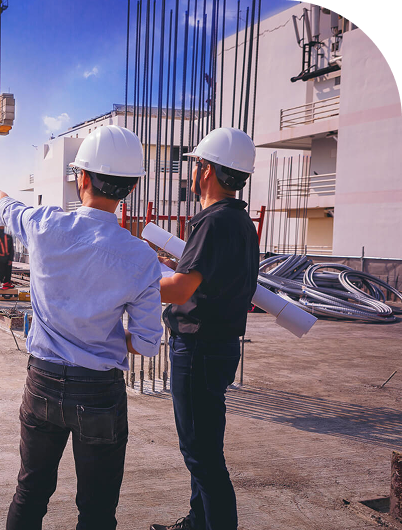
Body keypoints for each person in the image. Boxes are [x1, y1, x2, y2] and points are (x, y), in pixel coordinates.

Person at [0, 125, 163, 530]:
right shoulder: (141, 257)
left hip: (42, 382)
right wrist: (101, 336)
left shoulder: (45, 225)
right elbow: (147, 344)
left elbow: (4, 204)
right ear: (130, 186)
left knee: (30, 492)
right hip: (99, 392)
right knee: (97, 511)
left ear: (84, 178)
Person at [150, 128, 260, 530]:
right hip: (219, 346)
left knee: (201, 455)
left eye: (196, 164)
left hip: (198, 348)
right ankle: (198, 522)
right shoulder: (239, 222)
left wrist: (132, 279)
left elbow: (180, 290)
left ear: (207, 170)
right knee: (205, 444)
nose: (194, 172)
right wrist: (169, 265)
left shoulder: (211, 222)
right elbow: (210, 279)